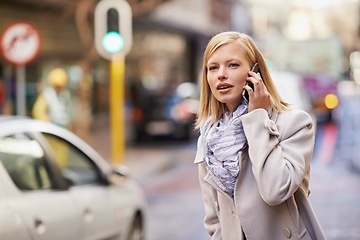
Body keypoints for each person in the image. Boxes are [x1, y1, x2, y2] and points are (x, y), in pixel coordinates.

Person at [194, 31, 326, 240]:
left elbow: (275, 190)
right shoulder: (209, 139)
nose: (221, 74)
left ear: (256, 72)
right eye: (213, 67)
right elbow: (214, 219)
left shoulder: (295, 124)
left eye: (233, 65)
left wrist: (257, 118)